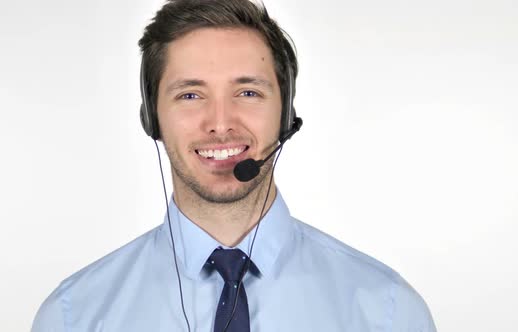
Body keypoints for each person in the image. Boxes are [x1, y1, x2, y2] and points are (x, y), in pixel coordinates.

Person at [32, 0, 437, 331]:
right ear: (152, 118)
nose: (221, 123)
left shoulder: (388, 313)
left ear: (285, 114)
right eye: (190, 95)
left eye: (247, 91)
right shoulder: (74, 316)